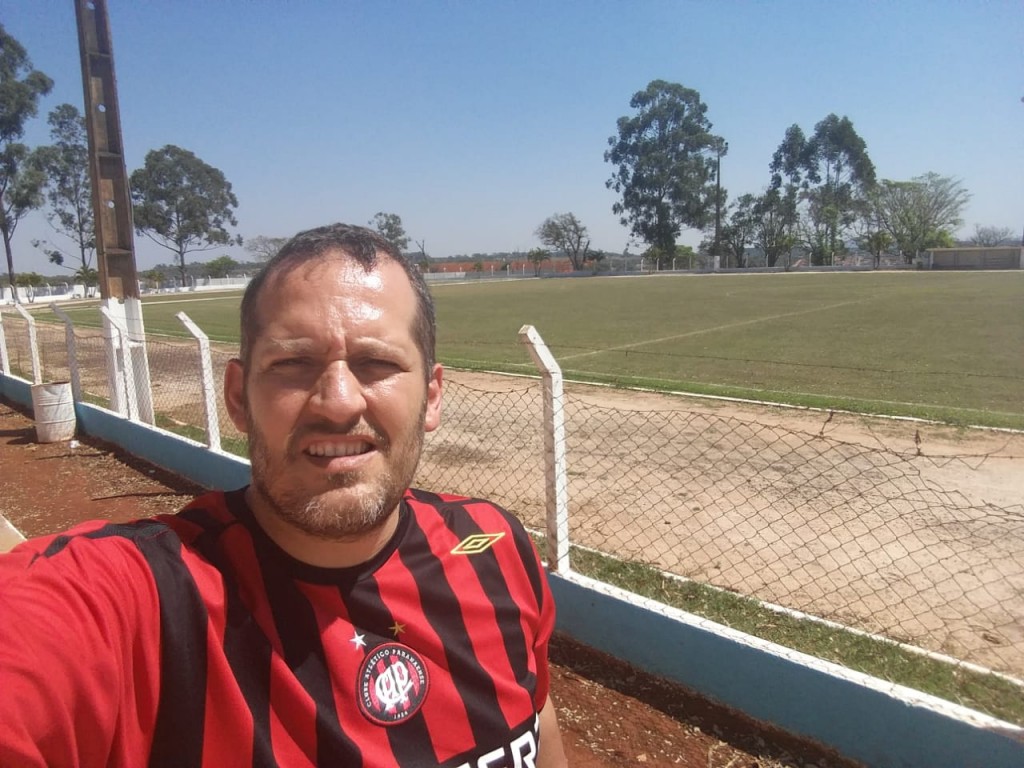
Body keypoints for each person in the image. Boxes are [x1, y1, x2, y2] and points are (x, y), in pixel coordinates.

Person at [0, 223, 568, 767]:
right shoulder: (141, 602)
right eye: (293, 363)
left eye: (377, 363)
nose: (339, 401)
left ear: (433, 396)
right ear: (239, 398)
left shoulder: (496, 550)